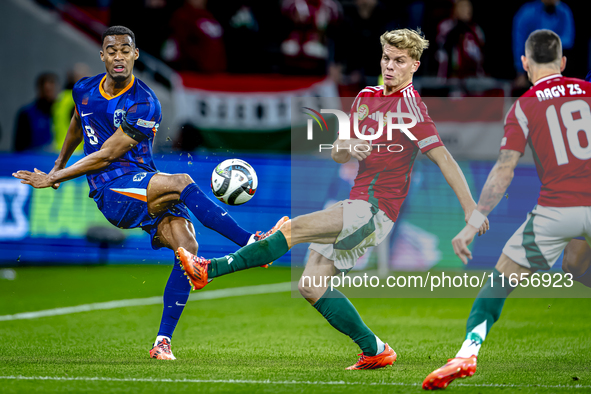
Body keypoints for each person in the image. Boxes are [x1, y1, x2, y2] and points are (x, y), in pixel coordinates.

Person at [176, 28, 489, 370]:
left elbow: (444, 158)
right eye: (386, 58)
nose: (390, 66)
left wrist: (471, 208)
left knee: (292, 230)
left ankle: (209, 269)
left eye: (399, 61)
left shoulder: (411, 109)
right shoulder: (365, 98)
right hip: (356, 203)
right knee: (311, 286)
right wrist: (348, 147)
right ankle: (376, 349)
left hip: (375, 211)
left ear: (414, 65)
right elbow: (340, 152)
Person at [12, 26, 287, 361]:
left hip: (139, 181)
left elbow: (108, 151)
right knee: (182, 180)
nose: (118, 56)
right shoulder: (83, 89)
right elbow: (78, 125)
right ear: (102, 55)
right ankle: (250, 242)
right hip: (111, 189)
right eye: (111, 50)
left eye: (125, 50)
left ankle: (162, 342)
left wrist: (56, 175)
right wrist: (58, 168)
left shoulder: (145, 102)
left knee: (189, 250)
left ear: (135, 55)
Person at [423, 29, 591, 390]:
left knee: (501, 280)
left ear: (525, 63)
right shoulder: (588, 91)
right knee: (575, 263)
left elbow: (504, 169)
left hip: (556, 210)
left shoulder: (524, 106)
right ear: (563, 62)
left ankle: (467, 352)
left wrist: (474, 221)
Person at [512, 0, 574, 89]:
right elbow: (519, 43)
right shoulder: (527, 13)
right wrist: (520, 72)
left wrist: (544, 44)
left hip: (556, 66)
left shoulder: (564, 12)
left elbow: (568, 40)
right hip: (533, 67)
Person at [435, 0, 485, 79]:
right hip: (450, 77)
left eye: (468, 6)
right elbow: (441, 52)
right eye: (462, 7)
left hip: (473, 77)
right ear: (455, 9)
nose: (467, 10)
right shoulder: (445, 27)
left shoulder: (476, 30)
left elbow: (480, 55)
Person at [14, 72, 58, 152]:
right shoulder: (27, 114)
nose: (48, 90)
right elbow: (19, 147)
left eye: (51, 88)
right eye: (45, 89)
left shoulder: (64, 112)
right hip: (34, 160)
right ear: (39, 88)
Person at [52, 63, 91, 153]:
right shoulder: (78, 99)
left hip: (60, 150)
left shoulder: (62, 97)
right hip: (76, 151)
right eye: (85, 76)